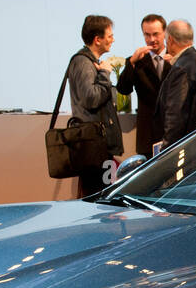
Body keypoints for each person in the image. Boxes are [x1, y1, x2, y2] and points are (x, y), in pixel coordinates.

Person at [66, 14, 124, 195]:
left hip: (99, 146)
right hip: (94, 148)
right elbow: (91, 98)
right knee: (100, 195)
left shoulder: (90, 62)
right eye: (109, 36)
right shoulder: (83, 62)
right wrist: (105, 74)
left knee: (107, 191)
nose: (112, 40)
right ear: (97, 40)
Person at [155, 19, 196, 146]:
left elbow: (175, 117)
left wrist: (166, 152)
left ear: (170, 40)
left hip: (186, 151)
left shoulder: (181, 69)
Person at [115, 13, 168, 157]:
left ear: (165, 33)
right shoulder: (137, 61)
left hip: (172, 131)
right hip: (148, 134)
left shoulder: (176, 58)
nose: (151, 40)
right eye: (147, 35)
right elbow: (123, 89)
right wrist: (131, 62)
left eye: (156, 34)